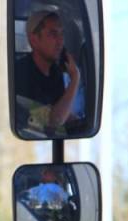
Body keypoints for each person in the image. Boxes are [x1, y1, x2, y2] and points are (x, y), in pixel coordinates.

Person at [14, 8, 81, 136]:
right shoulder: (22, 73)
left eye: (62, 34)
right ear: (34, 40)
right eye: (53, 34)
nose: (60, 41)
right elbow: (53, 121)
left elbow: (62, 112)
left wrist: (82, 124)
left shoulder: (55, 73)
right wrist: (75, 78)